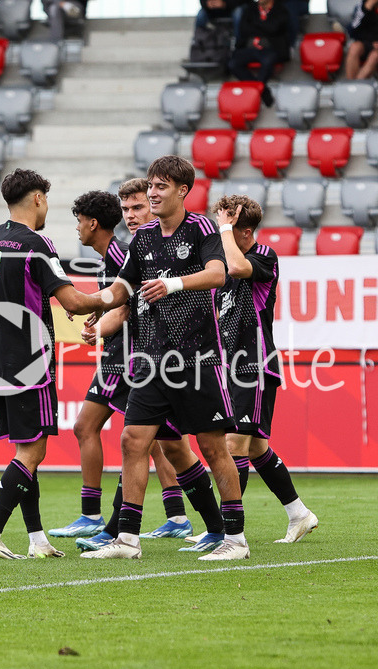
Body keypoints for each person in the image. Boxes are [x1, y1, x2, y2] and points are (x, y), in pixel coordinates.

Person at [81, 155, 249, 561]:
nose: (152, 194)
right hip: (150, 360)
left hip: (196, 360)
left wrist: (171, 284)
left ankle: (235, 540)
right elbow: (122, 290)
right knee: (132, 440)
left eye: (160, 187)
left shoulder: (202, 229)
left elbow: (218, 274)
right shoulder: (142, 238)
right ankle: (127, 540)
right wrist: (89, 303)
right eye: (150, 186)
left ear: (182, 191)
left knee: (212, 448)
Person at [0, 168, 112, 560]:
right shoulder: (37, 244)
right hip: (30, 360)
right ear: (38, 200)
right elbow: (75, 303)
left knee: (26, 450)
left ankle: (36, 538)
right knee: (31, 454)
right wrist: (113, 296)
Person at [51, 188, 200, 544]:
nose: (130, 215)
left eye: (137, 207)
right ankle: (177, 515)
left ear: (92, 223)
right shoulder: (117, 253)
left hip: (131, 354)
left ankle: (95, 516)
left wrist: (97, 319)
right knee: (154, 439)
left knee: (92, 427)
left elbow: (128, 306)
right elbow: (119, 299)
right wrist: (94, 311)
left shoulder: (121, 251)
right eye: (126, 208)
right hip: (131, 352)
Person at [206, 194, 318, 545]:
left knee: (233, 444)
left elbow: (239, 267)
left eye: (226, 229)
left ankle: (227, 532)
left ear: (246, 231)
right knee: (254, 449)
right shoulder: (224, 264)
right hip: (227, 363)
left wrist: (224, 230)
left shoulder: (264, 256)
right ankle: (299, 514)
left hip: (252, 363)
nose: (219, 235)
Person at [227, 0, 290, 107]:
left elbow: (274, 28)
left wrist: (255, 24)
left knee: (268, 60)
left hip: (271, 49)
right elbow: (244, 29)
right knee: (233, 64)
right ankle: (263, 91)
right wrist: (265, 26)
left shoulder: (281, 9)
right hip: (249, 48)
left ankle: (255, 92)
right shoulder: (250, 8)